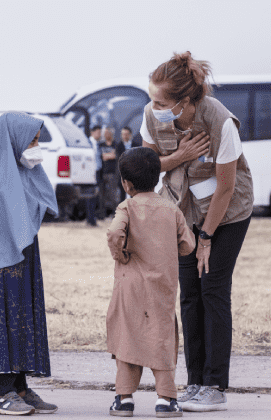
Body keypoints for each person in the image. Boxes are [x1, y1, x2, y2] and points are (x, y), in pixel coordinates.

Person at [141, 52, 253, 412]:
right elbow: (145, 167)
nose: (153, 106)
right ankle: (195, 382)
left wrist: (206, 237)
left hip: (228, 214)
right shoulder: (151, 116)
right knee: (189, 293)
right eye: (152, 98)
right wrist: (178, 156)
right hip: (181, 211)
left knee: (213, 289)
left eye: (161, 101)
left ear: (185, 102)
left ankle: (215, 385)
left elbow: (225, 188)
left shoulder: (221, 122)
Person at [0, 112, 60, 416]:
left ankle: (20, 387)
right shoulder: (0, 184)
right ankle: (4, 392)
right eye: (31, 140)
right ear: (14, 142)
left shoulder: (23, 173)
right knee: (5, 321)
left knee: (22, 319)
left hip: (23, 261)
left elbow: (41, 204)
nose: (36, 146)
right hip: (5, 265)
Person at [106, 147, 195, 418]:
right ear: (157, 177)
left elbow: (113, 233)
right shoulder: (171, 210)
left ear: (126, 183)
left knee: (127, 336)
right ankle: (166, 400)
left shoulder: (127, 207)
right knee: (161, 336)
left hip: (129, 285)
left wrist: (121, 255)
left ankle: (124, 398)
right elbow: (188, 244)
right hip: (162, 287)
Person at [98, 126, 122, 216]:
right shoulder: (101, 145)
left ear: (111, 134)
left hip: (113, 173)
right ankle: (102, 214)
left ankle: (114, 213)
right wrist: (110, 155)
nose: (106, 135)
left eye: (108, 133)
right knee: (102, 194)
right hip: (102, 173)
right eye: (105, 133)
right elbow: (102, 156)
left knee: (113, 194)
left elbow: (115, 156)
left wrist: (107, 156)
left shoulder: (116, 145)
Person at [115, 127, 142, 199]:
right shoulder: (118, 146)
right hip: (122, 175)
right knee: (122, 196)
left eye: (126, 134)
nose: (124, 136)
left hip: (133, 174)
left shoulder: (136, 146)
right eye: (123, 134)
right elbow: (119, 159)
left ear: (130, 135)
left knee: (134, 195)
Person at [86, 125, 104, 225]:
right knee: (90, 194)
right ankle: (90, 218)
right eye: (98, 132)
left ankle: (92, 217)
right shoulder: (88, 143)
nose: (100, 134)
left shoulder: (98, 144)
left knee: (95, 195)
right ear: (92, 132)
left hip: (97, 171)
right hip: (90, 171)